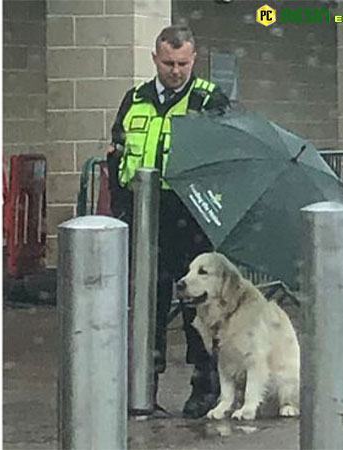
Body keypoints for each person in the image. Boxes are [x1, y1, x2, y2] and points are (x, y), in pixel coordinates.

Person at [107, 25, 230, 419]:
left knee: (200, 307)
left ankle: (204, 387)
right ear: (155, 59)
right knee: (147, 305)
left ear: (194, 59)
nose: (175, 71)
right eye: (168, 63)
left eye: (182, 63)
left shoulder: (209, 100)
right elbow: (118, 154)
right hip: (146, 218)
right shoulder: (135, 99)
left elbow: (222, 159)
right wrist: (124, 210)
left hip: (192, 218)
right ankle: (143, 388)